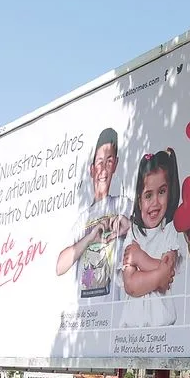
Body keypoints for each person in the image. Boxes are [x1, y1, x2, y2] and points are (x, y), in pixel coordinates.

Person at [56, 128, 133, 301]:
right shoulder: (82, 219)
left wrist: (129, 226)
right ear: (91, 169)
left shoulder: (123, 205)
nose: (103, 169)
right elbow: (60, 266)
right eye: (99, 162)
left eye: (109, 161)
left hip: (113, 312)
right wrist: (90, 238)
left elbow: (150, 234)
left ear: (115, 165)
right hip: (86, 312)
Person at [118, 149, 182, 327]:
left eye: (161, 192)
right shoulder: (133, 234)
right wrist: (159, 273)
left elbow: (167, 275)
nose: (155, 202)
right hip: (131, 333)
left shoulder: (170, 231)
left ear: (169, 193)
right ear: (139, 201)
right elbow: (131, 285)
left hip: (162, 331)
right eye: (148, 195)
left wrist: (139, 258)